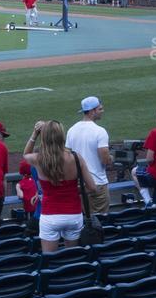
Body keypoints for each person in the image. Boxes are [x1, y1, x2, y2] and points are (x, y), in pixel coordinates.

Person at [22, 120, 97, 253]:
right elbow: (92, 187)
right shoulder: (76, 158)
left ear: (44, 138)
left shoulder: (39, 159)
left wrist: (35, 134)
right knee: (72, 259)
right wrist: (74, 190)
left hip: (50, 216)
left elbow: (25, 155)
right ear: (62, 136)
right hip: (74, 215)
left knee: (50, 260)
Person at [67, 97, 111, 215]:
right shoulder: (100, 131)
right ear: (92, 111)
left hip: (79, 185)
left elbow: (68, 156)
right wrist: (112, 158)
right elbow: (105, 159)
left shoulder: (71, 130)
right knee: (100, 223)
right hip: (97, 184)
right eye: (100, 109)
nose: (102, 111)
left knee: (83, 221)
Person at [14, 161, 41, 234]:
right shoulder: (35, 181)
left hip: (30, 210)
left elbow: (21, 196)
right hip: (38, 210)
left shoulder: (20, 184)